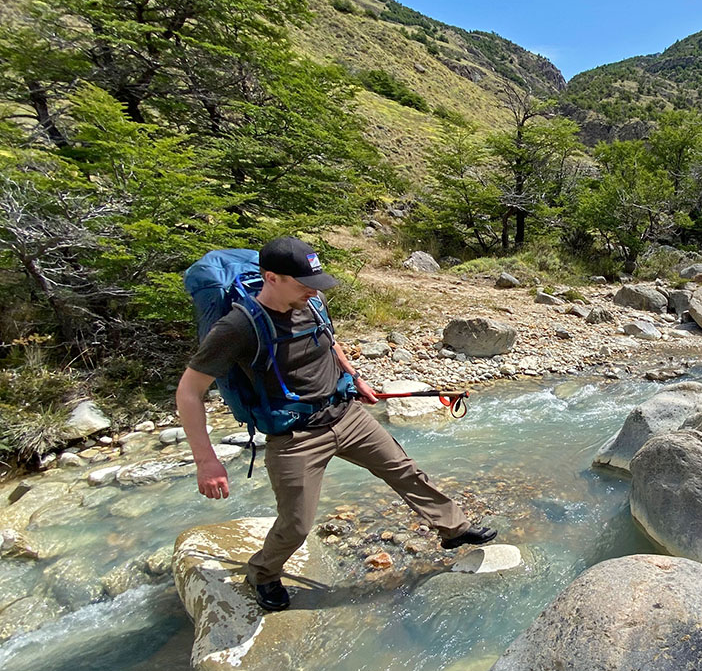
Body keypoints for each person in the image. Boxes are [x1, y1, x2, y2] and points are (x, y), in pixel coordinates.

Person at [175, 236, 496, 611]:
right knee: (296, 524)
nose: (313, 292)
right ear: (271, 277)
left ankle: (453, 529)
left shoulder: (314, 302)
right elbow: (188, 392)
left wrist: (355, 377)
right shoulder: (238, 327)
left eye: (315, 284)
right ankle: (263, 573)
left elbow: (330, 342)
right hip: (295, 436)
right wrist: (206, 460)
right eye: (303, 284)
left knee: (405, 470)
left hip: (345, 414)